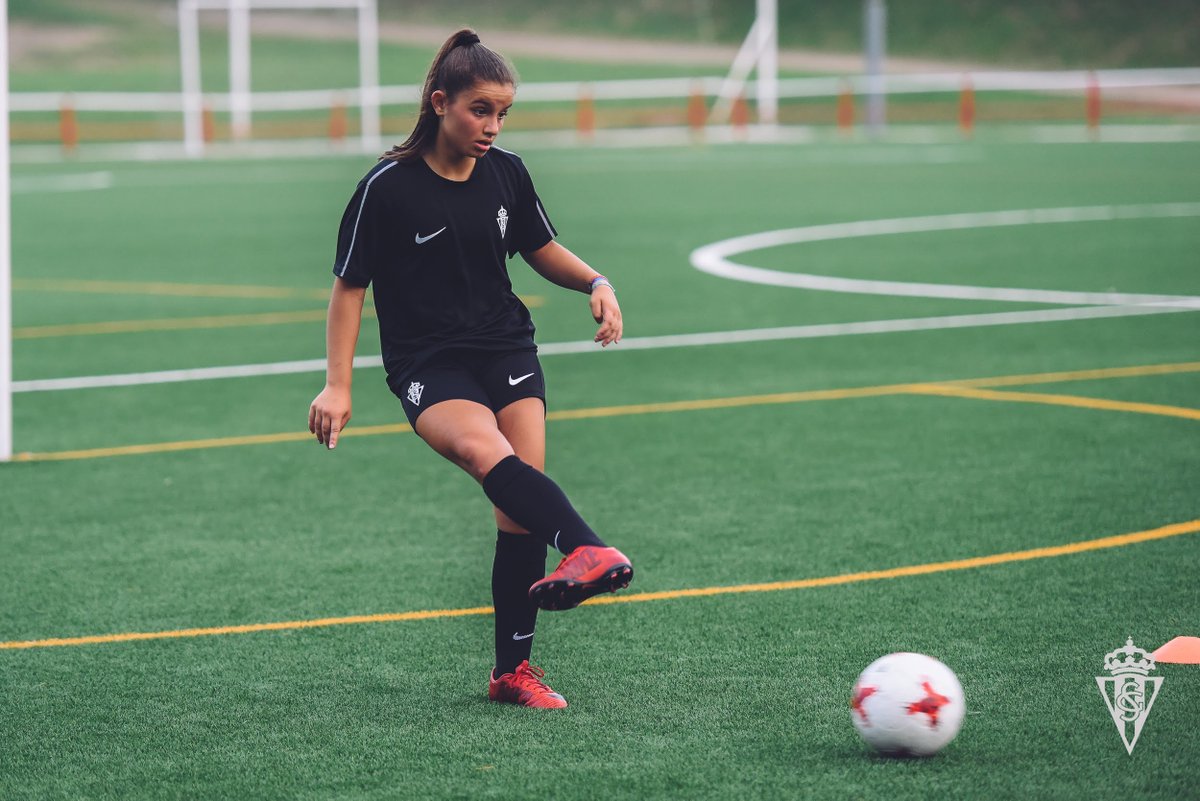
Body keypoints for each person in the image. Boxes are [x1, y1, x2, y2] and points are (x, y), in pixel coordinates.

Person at [308, 28, 633, 710]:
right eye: (480, 110)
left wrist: (596, 280)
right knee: (492, 456)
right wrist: (338, 384)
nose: (492, 126)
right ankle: (588, 547)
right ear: (439, 103)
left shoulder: (507, 172)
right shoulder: (387, 187)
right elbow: (348, 286)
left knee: (518, 511)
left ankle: (511, 671)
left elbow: (539, 246)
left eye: (502, 113)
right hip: (427, 363)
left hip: (507, 347)